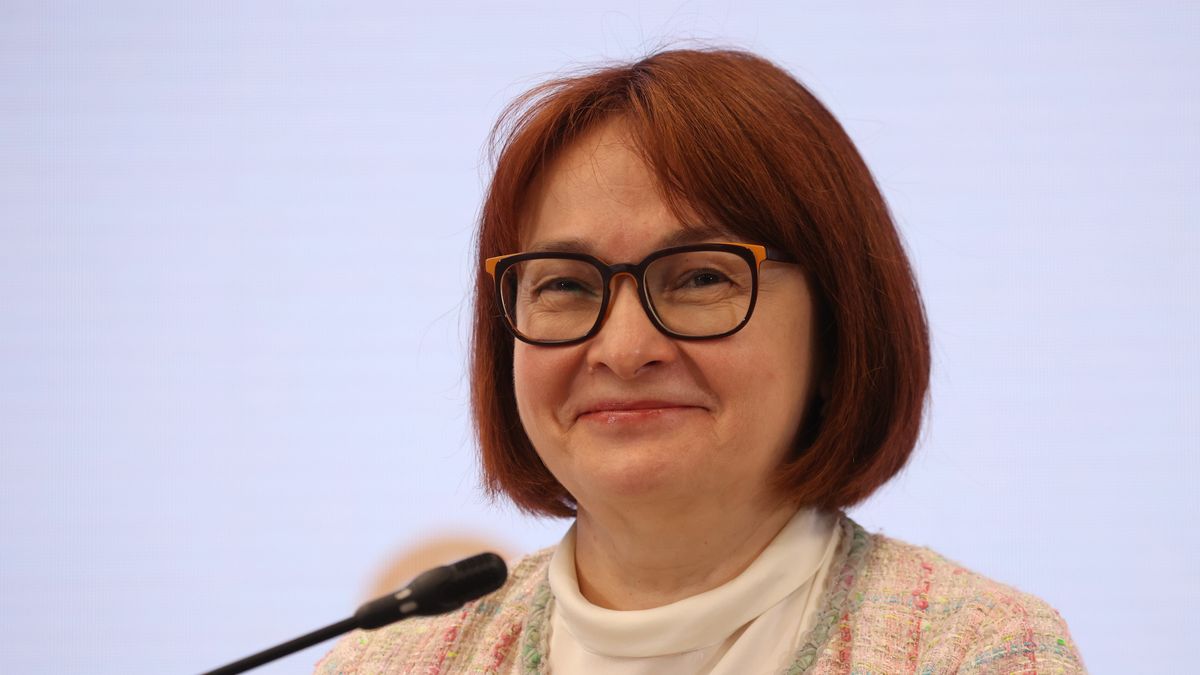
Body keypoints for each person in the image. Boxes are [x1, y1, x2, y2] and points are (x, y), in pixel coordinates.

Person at [318, 48, 1085, 673]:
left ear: (838, 320)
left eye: (700, 278)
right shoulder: (392, 662)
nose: (623, 349)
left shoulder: (979, 651)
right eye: (565, 285)